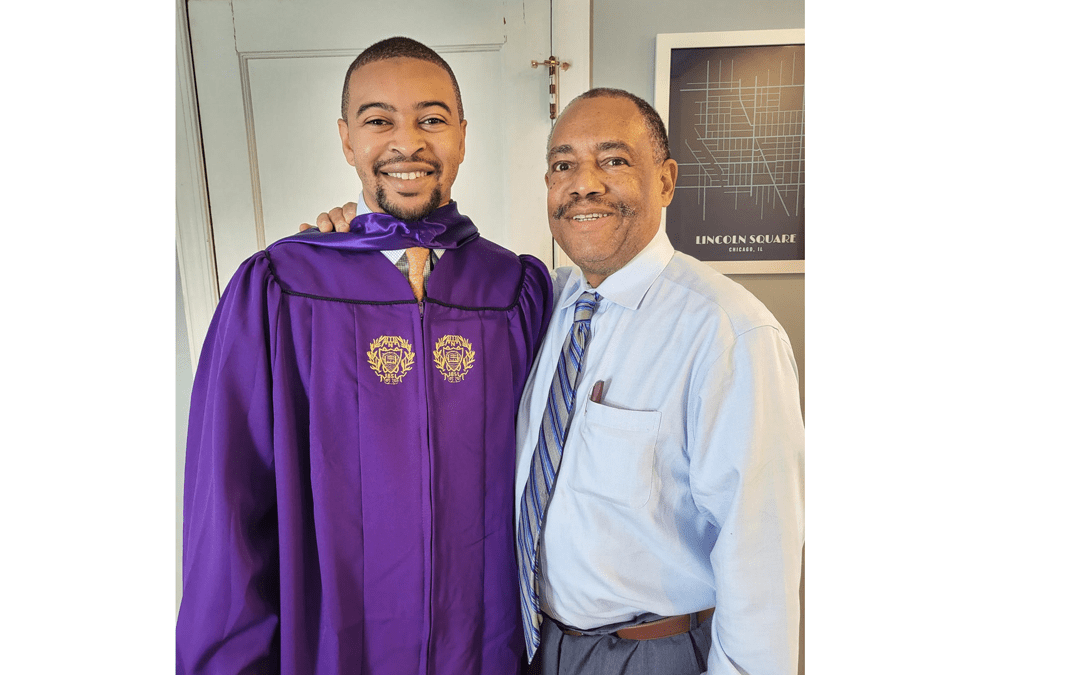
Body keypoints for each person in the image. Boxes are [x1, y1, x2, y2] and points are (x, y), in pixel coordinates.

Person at [313, 88, 804, 675]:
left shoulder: (728, 332)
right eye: (563, 165)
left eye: (614, 160)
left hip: (654, 654)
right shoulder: (544, 301)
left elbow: (762, 560)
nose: (584, 183)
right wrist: (362, 242)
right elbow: (436, 285)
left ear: (667, 181)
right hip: (537, 646)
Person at [176, 37, 553, 675]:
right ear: (347, 139)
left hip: (487, 647)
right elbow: (229, 510)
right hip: (331, 643)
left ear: (462, 135)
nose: (408, 142)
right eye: (379, 120)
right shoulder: (281, 289)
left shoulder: (515, 290)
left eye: (432, 119)